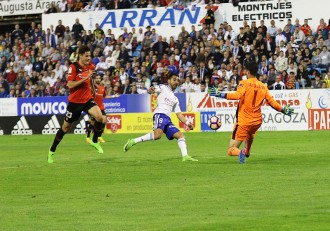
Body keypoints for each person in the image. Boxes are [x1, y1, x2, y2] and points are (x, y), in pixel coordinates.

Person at [209, 62, 294, 164]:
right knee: (250, 134)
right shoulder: (263, 86)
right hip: (257, 121)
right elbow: (272, 103)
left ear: (248, 72)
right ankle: (247, 151)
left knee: (231, 149)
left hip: (244, 121)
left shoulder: (244, 83)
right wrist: (283, 110)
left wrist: (219, 94)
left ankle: (241, 152)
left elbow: (237, 96)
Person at [48, 46, 104, 164]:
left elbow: (90, 80)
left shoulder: (91, 66)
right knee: (65, 128)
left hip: (87, 99)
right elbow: (70, 85)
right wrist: (85, 78)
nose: (89, 58)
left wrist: (93, 89)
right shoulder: (73, 67)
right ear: (81, 55)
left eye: (90, 55)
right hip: (74, 103)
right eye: (87, 56)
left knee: (100, 117)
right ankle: (52, 150)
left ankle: (94, 140)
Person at [124, 75, 198, 162]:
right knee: (157, 135)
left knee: (180, 135)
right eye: (174, 80)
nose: (176, 82)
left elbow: (179, 114)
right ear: (169, 80)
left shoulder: (175, 99)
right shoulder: (163, 87)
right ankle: (133, 141)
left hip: (167, 119)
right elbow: (154, 89)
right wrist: (151, 90)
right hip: (160, 114)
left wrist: (188, 123)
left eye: (177, 80)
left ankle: (185, 156)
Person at [85, 75, 107, 144]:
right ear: (94, 80)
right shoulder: (91, 88)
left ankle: (99, 136)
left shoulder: (102, 88)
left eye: (99, 78)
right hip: (94, 107)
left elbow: (105, 96)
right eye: (96, 78)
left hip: (101, 107)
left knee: (104, 120)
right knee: (92, 123)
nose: (98, 79)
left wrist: (114, 96)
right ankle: (88, 137)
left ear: (100, 79)